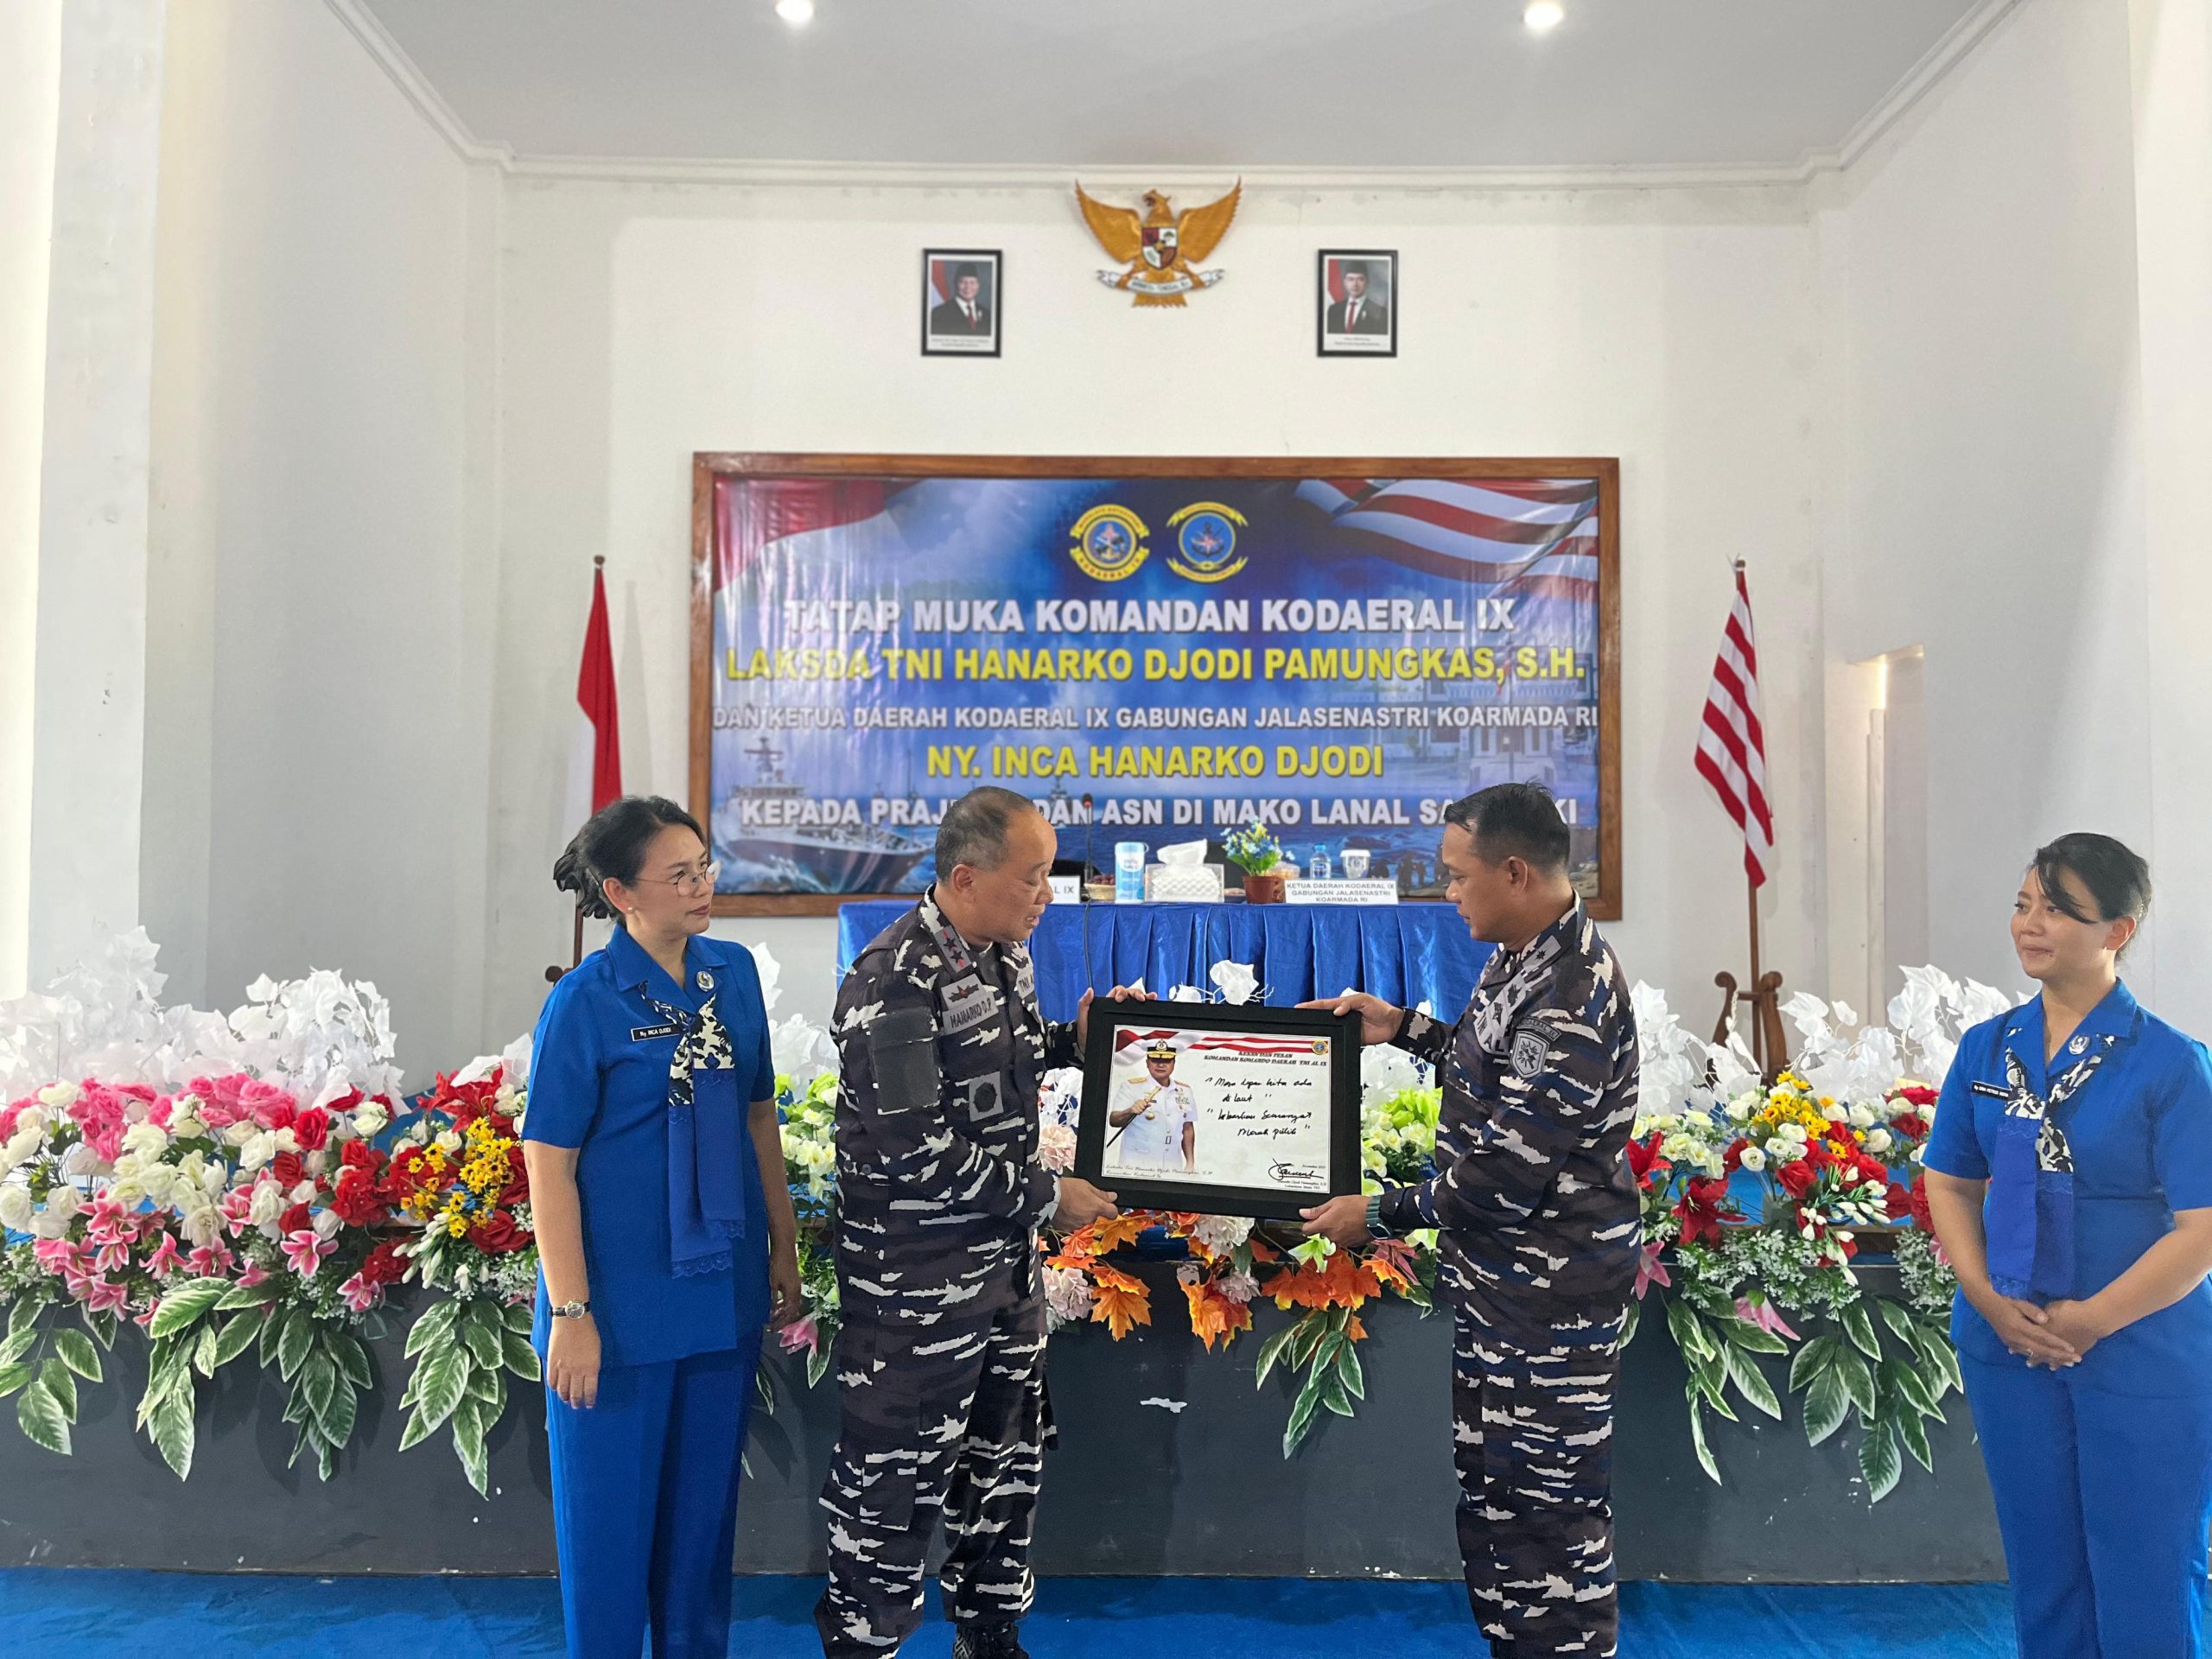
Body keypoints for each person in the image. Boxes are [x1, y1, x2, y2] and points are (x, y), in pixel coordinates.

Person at [1299, 782, 1638, 1659]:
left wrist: (1378, 1212)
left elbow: (1505, 1177)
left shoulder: (1570, 992)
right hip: (1503, 1294)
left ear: (1514, 872)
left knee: (1549, 1523)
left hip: (1549, 1306)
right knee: (1496, 1507)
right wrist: (1403, 1027)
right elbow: (1490, 1065)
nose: (1447, 893)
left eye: (1457, 875)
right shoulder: (1524, 957)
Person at [817, 786, 1121, 1659]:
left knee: (1002, 1472)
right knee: (893, 1491)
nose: (1047, 895)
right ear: (965, 878)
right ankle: (864, 1644)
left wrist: (1079, 1040)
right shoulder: (892, 979)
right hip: (914, 1292)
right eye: (1032, 878)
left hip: (1001, 1277)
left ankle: (990, 1636)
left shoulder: (998, 951)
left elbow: (997, 1062)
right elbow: (917, 1148)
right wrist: (1047, 1198)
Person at [521, 794, 804, 1659]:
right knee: (608, 1543)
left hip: (719, 1294)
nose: (700, 886)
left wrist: (783, 1247)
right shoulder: (585, 1000)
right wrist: (571, 1314)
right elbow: (548, 1164)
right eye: (677, 875)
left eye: (703, 867)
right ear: (621, 893)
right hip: (616, 1310)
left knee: (700, 1541)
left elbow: (759, 1119)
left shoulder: (732, 974)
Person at [1923, 834, 2212, 1658]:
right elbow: (1950, 1181)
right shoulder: (1987, 1048)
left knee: (2150, 1567)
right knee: (2044, 1566)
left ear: (2118, 930)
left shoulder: (2173, 1063)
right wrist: (1987, 1299)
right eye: (2023, 905)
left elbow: (2203, 1229)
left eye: (2056, 909)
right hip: (2010, 1343)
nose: (2030, 924)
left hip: (2142, 1349)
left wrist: (2092, 1320)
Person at [1107, 1041, 1198, 1173]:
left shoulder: (1185, 1091)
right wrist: (1130, 1110)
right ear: (1147, 1063)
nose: (1161, 1065)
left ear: (1174, 1063)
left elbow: (1187, 1128)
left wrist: (1190, 1162)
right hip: (1137, 1165)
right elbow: (1113, 1120)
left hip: (1172, 1164)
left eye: (1166, 1060)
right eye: (1155, 1060)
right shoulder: (1131, 1087)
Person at [1325, 261, 1389, 335]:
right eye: (1351, 279)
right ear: (1344, 282)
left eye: (1360, 279)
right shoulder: (1333, 310)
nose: (1355, 284)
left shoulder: (1380, 313)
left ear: (1367, 282)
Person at [930, 264, 992, 336]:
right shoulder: (939, 314)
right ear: (955, 284)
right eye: (963, 282)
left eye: (972, 282)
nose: (968, 287)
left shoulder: (987, 314)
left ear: (978, 285)